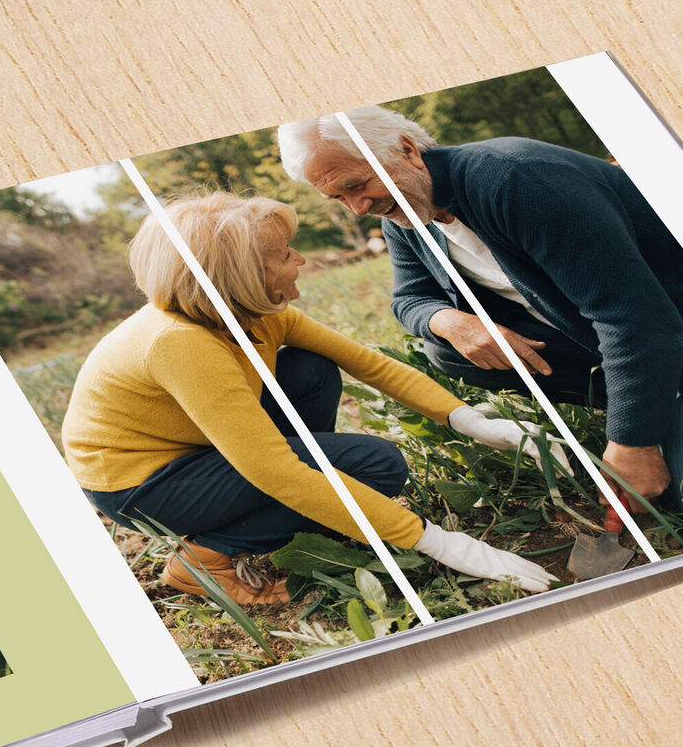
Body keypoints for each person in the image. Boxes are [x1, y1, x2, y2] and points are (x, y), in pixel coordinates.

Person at [277, 107, 683, 517]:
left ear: (407, 149)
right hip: (627, 347)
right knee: (441, 348)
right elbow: (408, 300)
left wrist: (633, 444)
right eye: (338, 198)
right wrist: (447, 319)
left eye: (358, 185)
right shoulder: (406, 212)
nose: (357, 206)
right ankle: (662, 411)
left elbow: (636, 321)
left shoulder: (514, 180)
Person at [61, 191, 558, 606]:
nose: (300, 260)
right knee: (375, 466)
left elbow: (371, 364)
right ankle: (205, 558)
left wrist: (473, 421)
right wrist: (441, 542)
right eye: (284, 255)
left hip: (199, 445)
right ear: (239, 278)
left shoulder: (258, 314)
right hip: (144, 483)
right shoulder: (180, 343)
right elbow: (274, 469)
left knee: (310, 370)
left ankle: (321, 505)